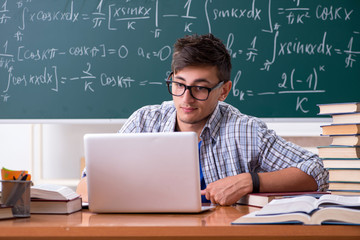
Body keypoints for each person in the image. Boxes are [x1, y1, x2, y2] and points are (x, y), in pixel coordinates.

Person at [78, 33, 328, 206]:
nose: (186, 99)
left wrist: (249, 181)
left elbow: (316, 172)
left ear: (224, 90)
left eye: (200, 88)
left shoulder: (246, 130)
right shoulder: (144, 121)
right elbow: (87, 184)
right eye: (179, 84)